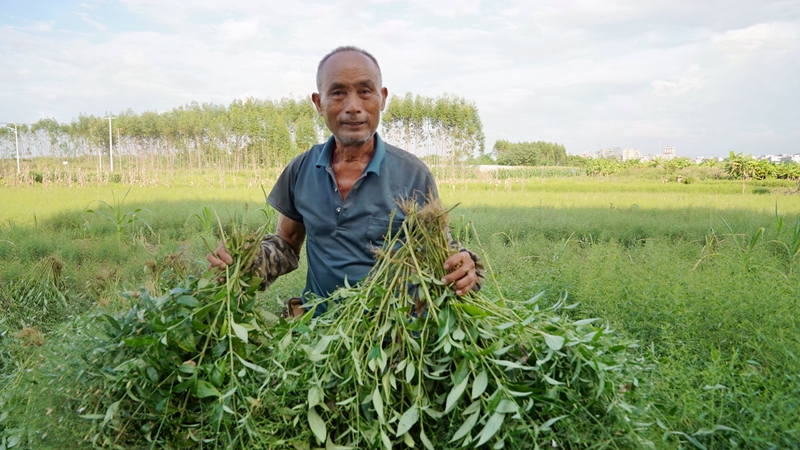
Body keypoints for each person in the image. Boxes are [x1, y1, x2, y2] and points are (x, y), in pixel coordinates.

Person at [207, 46, 483, 317]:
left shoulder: (413, 174)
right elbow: (287, 241)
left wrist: (465, 265)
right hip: (318, 330)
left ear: (382, 98)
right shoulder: (300, 169)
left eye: (365, 91)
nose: (353, 107)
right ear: (318, 102)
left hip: (392, 332)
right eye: (338, 93)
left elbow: (442, 250)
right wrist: (246, 261)